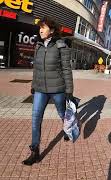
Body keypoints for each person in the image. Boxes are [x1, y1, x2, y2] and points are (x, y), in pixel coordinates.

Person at [22, 17, 74, 165]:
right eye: (40, 28)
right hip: (40, 89)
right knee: (35, 118)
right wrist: (33, 84)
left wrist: (69, 90)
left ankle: (67, 129)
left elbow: (66, 69)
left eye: (43, 27)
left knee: (62, 113)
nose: (40, 30)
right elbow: (36, 68)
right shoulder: (38, 45)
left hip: (57, 88)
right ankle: (35, 151)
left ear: (51, 30)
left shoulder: (60, 46)